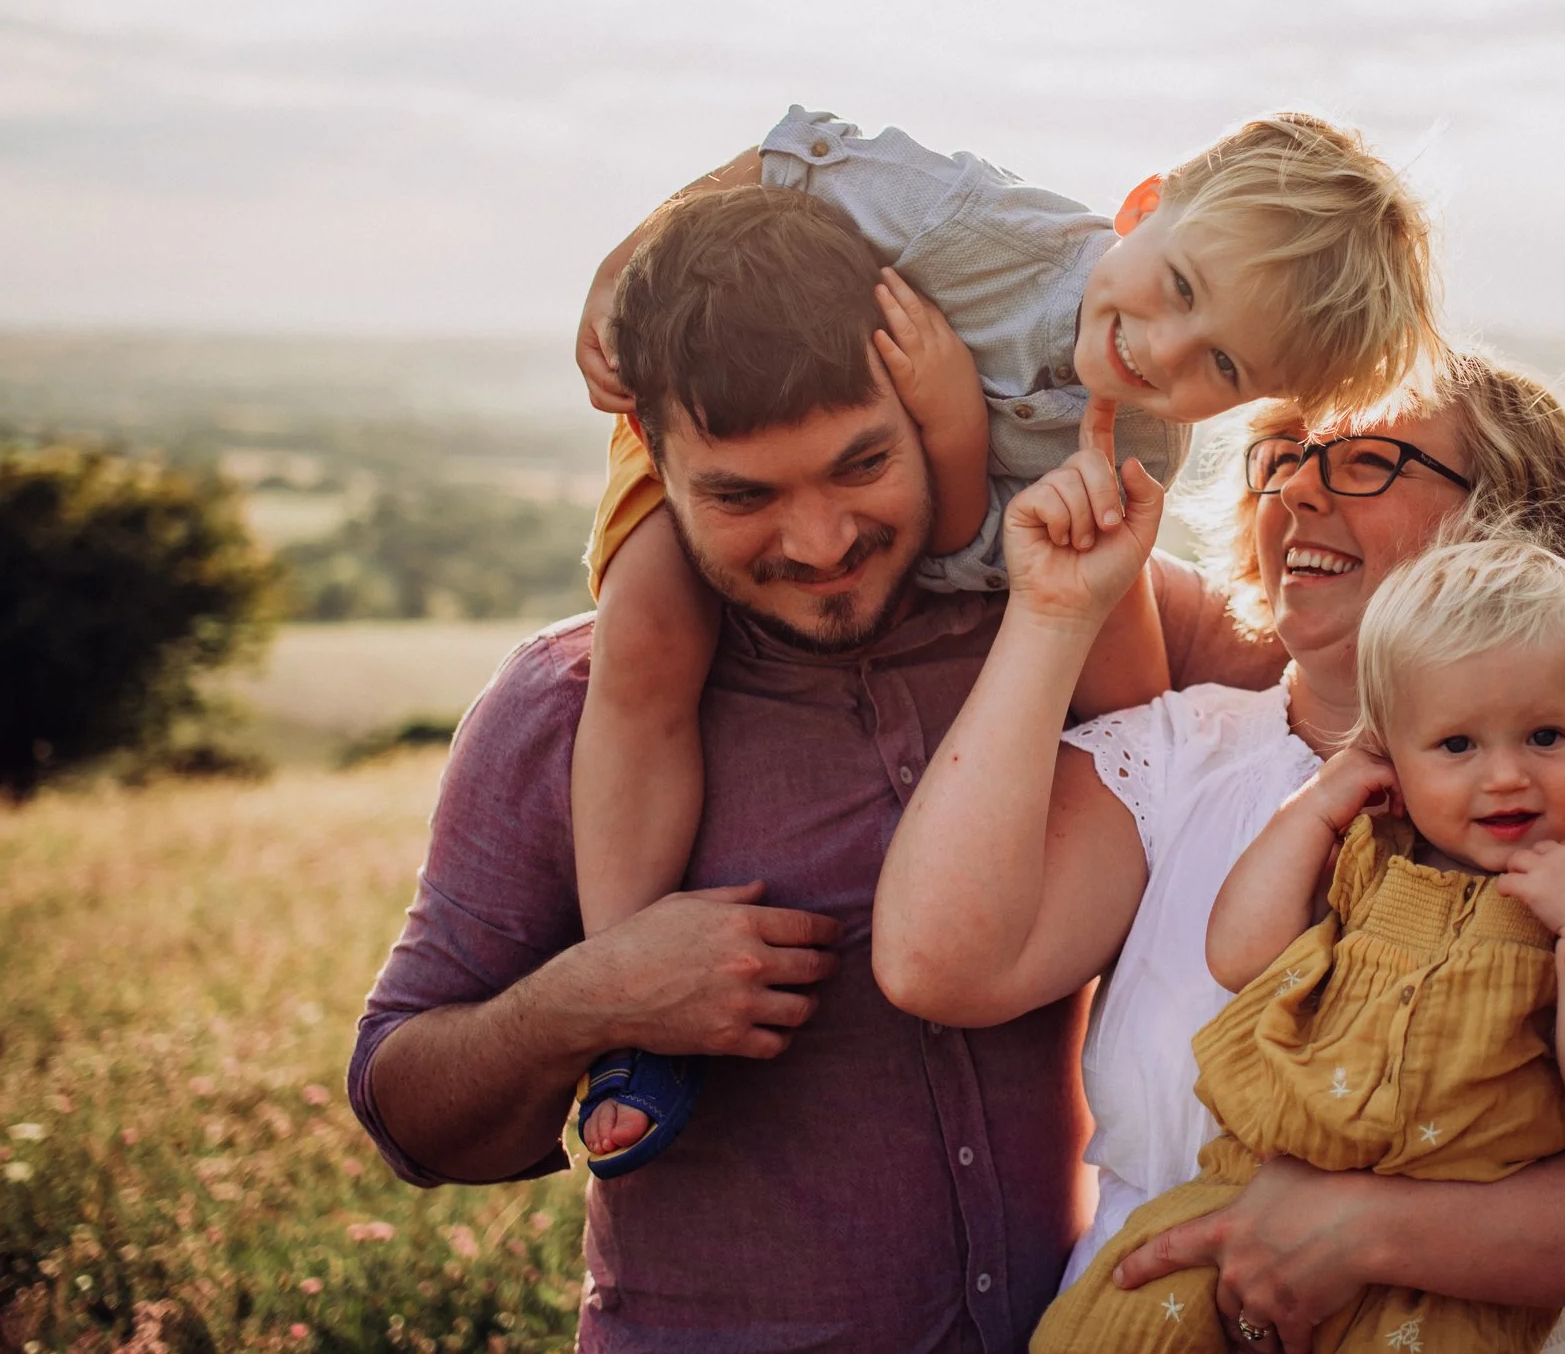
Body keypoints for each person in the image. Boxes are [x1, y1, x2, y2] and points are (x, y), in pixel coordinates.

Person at [347, 185, 1289, 1351]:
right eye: (742, 495)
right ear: (650, 455)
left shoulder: (1080, 606)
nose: (820, 541)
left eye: (860, 467)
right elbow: (408, 1112)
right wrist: (595, 995)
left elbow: (1390, 681)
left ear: (923, 401)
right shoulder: (566, 709)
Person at [566, 107, 1441, 1171]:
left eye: (1219, 365)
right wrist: (626, 267)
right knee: (650, 634)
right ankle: (625, 991)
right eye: (1176, 287)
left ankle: (1124, 954)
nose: (1158, 349)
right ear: (1144, 207)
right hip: (723, 403)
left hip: (888, 507)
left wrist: (954, 434)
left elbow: (951, 558)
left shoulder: (1142, 436)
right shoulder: (979, 229)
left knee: (1123, 689)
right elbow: (796, 149)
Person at [873, 348, 1565, 1354]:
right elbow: (938, 963)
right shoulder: (1174, 754)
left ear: (1506, 526)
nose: (1299, 488)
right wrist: (1051, 612)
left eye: (1368, 461)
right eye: (1283, 456)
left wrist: (1368, 1231)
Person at [1033, 537, 1565, 1352]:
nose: (1505, 776)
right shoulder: (1369, 854)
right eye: (1458, 745)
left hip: (1446, 1272)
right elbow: (1240, 954)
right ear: (1391, 752)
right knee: (1111, 1329)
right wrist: (1316, 808)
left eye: (1545, 737)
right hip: (1252, 1199)